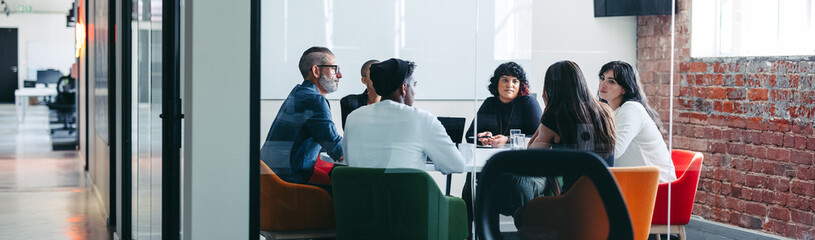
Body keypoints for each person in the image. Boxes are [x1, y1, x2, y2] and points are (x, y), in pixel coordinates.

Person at [342, 58, 464, 175]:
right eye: (414, 85)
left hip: (361, 196)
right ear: (404, 88)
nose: (415, 91)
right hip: (406, 196)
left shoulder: (353, 118)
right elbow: (456, 165)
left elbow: (349, 160)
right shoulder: (422, 119)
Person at [259, 46, 344, 186]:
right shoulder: (315, 100)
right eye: (334, 68)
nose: (339, 75)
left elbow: (320, 140)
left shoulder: (299, 92)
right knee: (344, 192)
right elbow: (337, 150)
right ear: (316, 71)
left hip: (269, 180)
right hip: (286, 185)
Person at [598, 60, 676, 182]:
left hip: (656, 187)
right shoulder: (612, 112)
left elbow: (614, 151)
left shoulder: (631, 108)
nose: (603, 84)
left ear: (625, 89)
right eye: (602, 78)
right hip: (635, 183)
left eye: (611, 81)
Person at [529, 60, 617, 164]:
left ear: (551, 88)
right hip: (605, 178)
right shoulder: (605, 111)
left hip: (575, 180)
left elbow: (532, 154)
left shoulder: (556, 115)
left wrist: (549, 108)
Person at [465, 62, 542, 147]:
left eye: (515, 81)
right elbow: (469, 136)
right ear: (496, 83)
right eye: (505, 80)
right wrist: (484, 138)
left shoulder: (528, 102)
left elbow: (539, 138)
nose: (509, 85)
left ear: (520, 85)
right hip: (492, 155)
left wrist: (507, 140)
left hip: (520, 155)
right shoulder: (489, 103)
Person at [339, 59, 381, 130]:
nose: (380, 78)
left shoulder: (393, 103)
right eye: (374, 74)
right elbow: (349, 133)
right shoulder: (350, 102)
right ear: (364, 80)